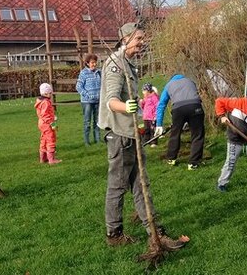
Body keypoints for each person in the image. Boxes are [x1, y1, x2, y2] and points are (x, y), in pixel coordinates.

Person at [98, 22, 186, 249]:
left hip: (130, 133)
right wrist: (125, 107)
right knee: (118, 185)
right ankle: (114, 233)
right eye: (139, 39)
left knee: (141, 183)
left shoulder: (128, 63)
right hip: (119, 134)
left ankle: (154, 230)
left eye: (143, 39)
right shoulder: (115, 64)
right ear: (126, 39)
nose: (142, 43)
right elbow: (111, 100)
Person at [154, 74, 205, 170]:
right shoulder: (190, 81)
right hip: (195, 106)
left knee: (175, 133)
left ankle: (171, 159)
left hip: (178, 109)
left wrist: (159, 124)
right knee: (197, 134)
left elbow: (161, 105)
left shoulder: (169, 85)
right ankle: (193, 163)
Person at [76, 53, 101, 145]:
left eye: (95, 62)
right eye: (92, 62)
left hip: (97, 101)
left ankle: (98, 139)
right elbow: (78, 87)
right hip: (87, 102)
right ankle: (87, 141)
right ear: (87, 63)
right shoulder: (83, 73)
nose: (94, 64)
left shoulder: (99, 72)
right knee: (87, 122)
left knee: (97, 121)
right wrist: (87, 95)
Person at [35, 83, 61, 164]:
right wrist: (52, 124)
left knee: (44, 139)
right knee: (51, 139)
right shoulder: (46, 102)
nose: (51, 94)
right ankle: (51, 160)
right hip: (47, 124)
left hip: (41, 123)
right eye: (50, 93)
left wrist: (53, 116)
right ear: (45, 93)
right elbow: (45, 115)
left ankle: (43, 159)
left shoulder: (40, 101)